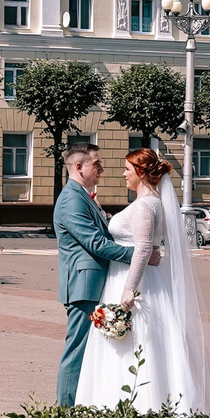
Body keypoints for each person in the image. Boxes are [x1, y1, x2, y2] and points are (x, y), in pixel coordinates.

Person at [69, 148, 210, 414]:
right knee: (141, 344)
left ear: (141, 174)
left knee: (136, 345)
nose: (123, 174)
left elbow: (143, 249)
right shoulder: (150, 203)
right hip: (141, 278)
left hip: (136, 281)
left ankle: (139, 408)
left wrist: (129, 289)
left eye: (127, 170)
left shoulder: (145, 205)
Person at [52, 146, 137, 404]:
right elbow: (95, 243)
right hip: (83, 284)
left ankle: (81, 404)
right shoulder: (71, 199)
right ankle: (64, 412)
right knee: (77, 350)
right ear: (80, 167)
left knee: (89, 350)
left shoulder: (83, 196)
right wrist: (138, 254)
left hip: (91, 282)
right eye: (97, 164)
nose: (102, 169)